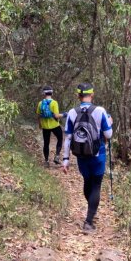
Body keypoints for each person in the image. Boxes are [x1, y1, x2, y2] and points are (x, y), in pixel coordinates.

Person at [62, 82, 113, 233]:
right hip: (98, 155)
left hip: (81, 155)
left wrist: (65, 160)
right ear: (92, 94)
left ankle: (91, 210)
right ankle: (89, 222)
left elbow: (68, 137)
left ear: (78, 96)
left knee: (87, 182)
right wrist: (109, 123)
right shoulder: (100, 111)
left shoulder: (72, 112)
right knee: (96, 185)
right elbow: (108, 135)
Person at [36, 86, 66, 167]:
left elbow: (38, 115)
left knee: (46, 143)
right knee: (60, 139)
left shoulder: (40, 103)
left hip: (45, 127)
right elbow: (56, 116)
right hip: (55, 125)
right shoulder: (54, 103)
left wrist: (40, 124)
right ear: (52, 93)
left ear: (44, 93)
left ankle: (46, 161)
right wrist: (64, 115)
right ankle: (56, 156)